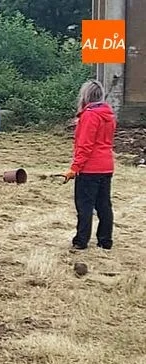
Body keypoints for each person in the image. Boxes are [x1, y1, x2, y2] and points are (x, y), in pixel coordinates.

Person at [64, 80, 116, 251]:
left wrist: (74, 168)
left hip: (90, 168)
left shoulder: (89, 116)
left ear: (85, 96)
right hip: (106, 165)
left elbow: (85, 145)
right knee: (104, 205)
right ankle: (105, 240)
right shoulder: (108, 115)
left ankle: (81, 240)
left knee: (85, 205)